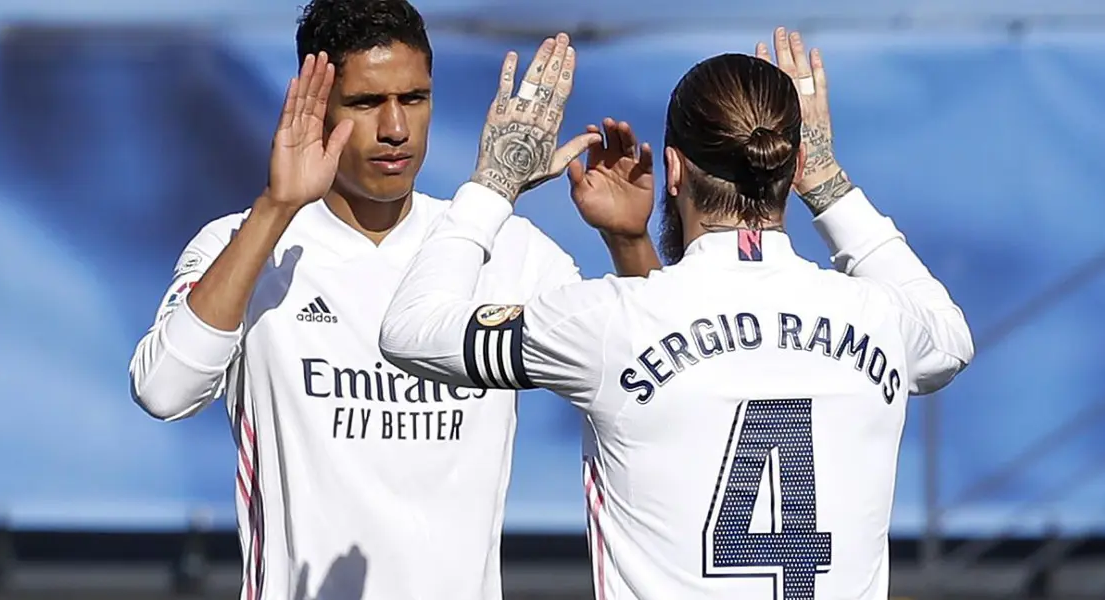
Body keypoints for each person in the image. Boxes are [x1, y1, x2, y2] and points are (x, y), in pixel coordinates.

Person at [379, 27, 975, 600]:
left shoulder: (608, 321)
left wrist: (495, 181)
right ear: (791, 170)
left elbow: (411, 330)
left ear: (673, 169)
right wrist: (829, 185)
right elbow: (950, 340)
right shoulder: (876, 316)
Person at [127, 0, 659, 597]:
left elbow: (655, 386)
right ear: (315, 105)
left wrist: (628, 241)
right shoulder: (242, 243)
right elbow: (163, 390)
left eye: (414, 99)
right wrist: (276, 207)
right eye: (365, 103)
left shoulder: (504, 246)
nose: (396, 130)